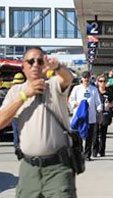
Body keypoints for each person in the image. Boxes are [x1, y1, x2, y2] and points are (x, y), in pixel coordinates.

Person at [0, 47, 75, 197]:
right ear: (23, 67)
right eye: (31, 61)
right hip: (29, 168)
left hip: (57, 168)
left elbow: (68, 78)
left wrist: (58, 67)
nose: (35, 65)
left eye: (40, 61)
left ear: (45, 66)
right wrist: (24, 96)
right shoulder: (16, 91)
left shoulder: (53, 86)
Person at [69, 71, 102, 161]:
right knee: (78, 136)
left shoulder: (93, 89)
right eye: (84, 78)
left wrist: (99, 111)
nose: (86, 80)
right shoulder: (76, 88)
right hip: (80, 116)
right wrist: (77, 103)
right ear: (81, 79)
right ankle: (79, 153)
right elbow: (71, 100)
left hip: (90, 116)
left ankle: (87, 154)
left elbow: (98, 102)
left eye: (87, 78)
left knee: (89, 137)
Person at [94, 74, 113, 157]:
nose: (102, 83)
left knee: (103, 134)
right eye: (100, 81)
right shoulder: (95, 92)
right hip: (96, 114)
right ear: (98, 82)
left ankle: (102, 151)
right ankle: (94, 150)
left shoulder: (108, 92)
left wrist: (110, 105)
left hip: (105, 114)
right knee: (95, 133)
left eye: (104, 81)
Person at [11, 72, 25, 153]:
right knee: (22, 132)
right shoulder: (25, 89)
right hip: (23, 114)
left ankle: (17, 146)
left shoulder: (12, 90)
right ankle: (21, 146)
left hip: (15, 114)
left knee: (16, 132)